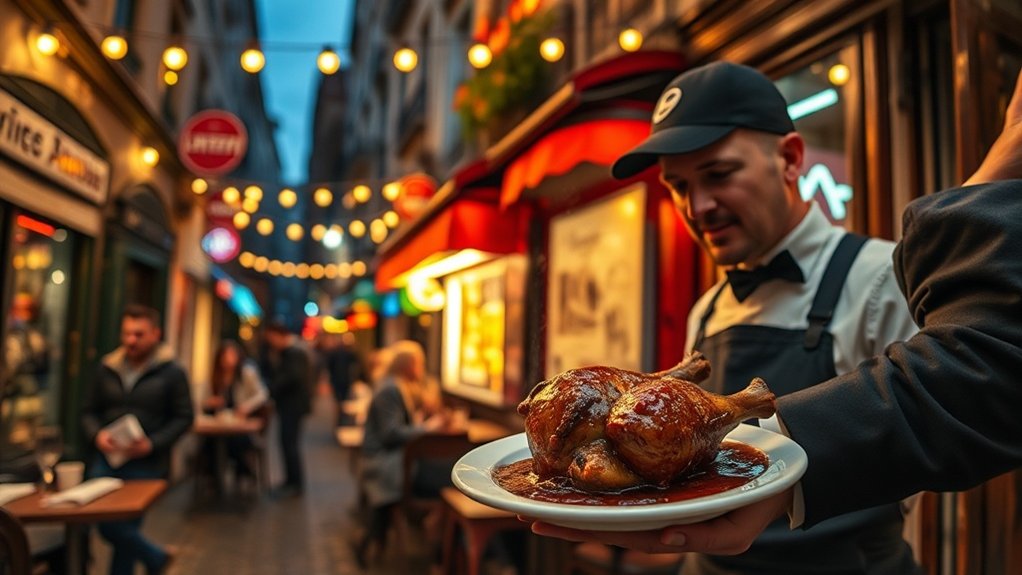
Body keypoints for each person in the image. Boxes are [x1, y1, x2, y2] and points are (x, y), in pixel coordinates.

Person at [531, 66, 1022, 564]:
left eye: (719, 174)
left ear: (789, 159)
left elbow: (942, 425)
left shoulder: (877, 277)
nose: (698, 206)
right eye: (678, 186)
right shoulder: (709, 307)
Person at [81, 304, 193, 575]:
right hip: (107, 460)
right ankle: (156, 557)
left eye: (139, 334)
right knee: (104, 522)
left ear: (156, 334)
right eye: (127, 333)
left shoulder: (172, 372)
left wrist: (153, 443)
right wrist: (98, 435)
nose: (131, 340)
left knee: (124, 529)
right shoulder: (107, 368)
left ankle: (151, 560)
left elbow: (184, 418)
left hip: (147, 464)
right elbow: (87, 411)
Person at [351, 340, 449, 569]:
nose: (421, 369)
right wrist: (428, 427)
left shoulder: (396, 385)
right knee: (448, 476)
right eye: (419, 364)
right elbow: (390, 434)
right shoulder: (391, 388)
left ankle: (370, 541)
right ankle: (437, 535)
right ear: (409, 365)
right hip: (384, 462)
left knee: (439, 476)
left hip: (391, 459)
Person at [199, 340, 269, 487]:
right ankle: (215, 480)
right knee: (209, 443)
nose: (228, 359)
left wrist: (246, 407)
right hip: (219, 423)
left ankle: (241, 473)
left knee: (236, 443)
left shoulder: (246, 373)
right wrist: (209, 402)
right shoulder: (215, 376)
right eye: (225, 355)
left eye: (232, 355)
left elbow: (262, 394)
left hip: (241, 424)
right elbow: (202, 399)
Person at [259, 320, 311, 498]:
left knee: (289, 444)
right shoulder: (288, 353)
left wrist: (272, 388)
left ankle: (294, 483)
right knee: (287, 444)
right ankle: (291, 481)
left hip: (293, 406)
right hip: (289, 406)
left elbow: (292, 378)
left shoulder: (294, 354)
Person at [320, 332, 367, 426]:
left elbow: (329, 366)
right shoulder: (350, 352)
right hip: (343, 381)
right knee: (343, 402)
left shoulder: (345, 352)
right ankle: (342, 421)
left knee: (341, 402)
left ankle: (341, 421)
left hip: (340, 381)